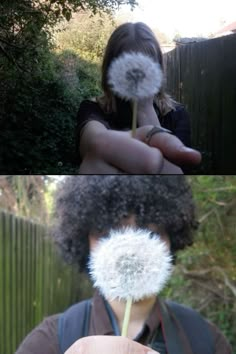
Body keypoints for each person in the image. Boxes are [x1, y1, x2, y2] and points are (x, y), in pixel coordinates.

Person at [16, 176, 232, 354]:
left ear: (171, 240)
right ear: (85, 242)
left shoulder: (207, 340)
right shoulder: (49, 341)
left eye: (150, 233)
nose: (130, 250)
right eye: (109, 234)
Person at [76, 23, 201, 174]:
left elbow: (178, 173)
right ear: (111, 68)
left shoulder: (176, 114)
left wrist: (144, 108)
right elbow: (93, 142)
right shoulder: (94, 109)